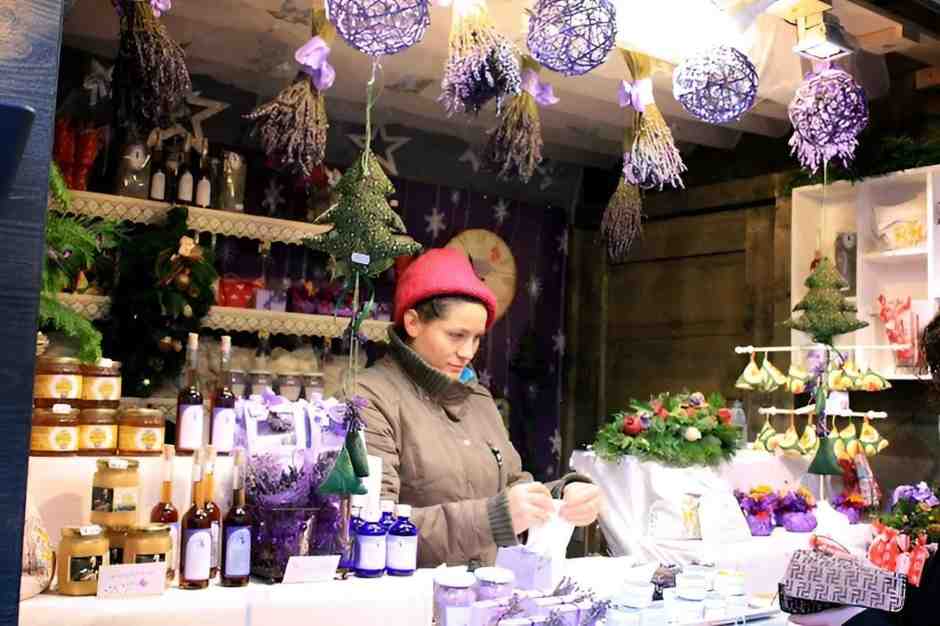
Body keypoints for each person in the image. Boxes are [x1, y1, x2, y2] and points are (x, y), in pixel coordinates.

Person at [357, 248, 603, 567]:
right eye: (456, 335)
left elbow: (515, 485)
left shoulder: (479, 399)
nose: (467, 352)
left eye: (476, 339)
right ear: (413, 322)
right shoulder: (369, 396)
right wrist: (493, 518)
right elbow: (370, 527)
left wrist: (562, 496)